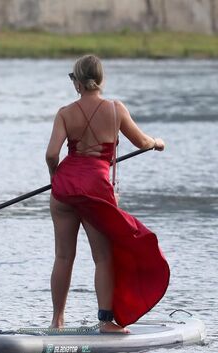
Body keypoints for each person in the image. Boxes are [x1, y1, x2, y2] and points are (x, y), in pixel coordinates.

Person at [45, 55, 170, 333]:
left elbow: (52, 153)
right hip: (96, 191)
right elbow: (141, 141)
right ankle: (105, 322)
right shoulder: (115, 109)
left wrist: (56, 177)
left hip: (64, 189)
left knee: (63, 256)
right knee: (102, 257)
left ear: (77, 83)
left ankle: (57, 321)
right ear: (100, 80)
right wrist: (157, 143)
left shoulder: (65, 113)